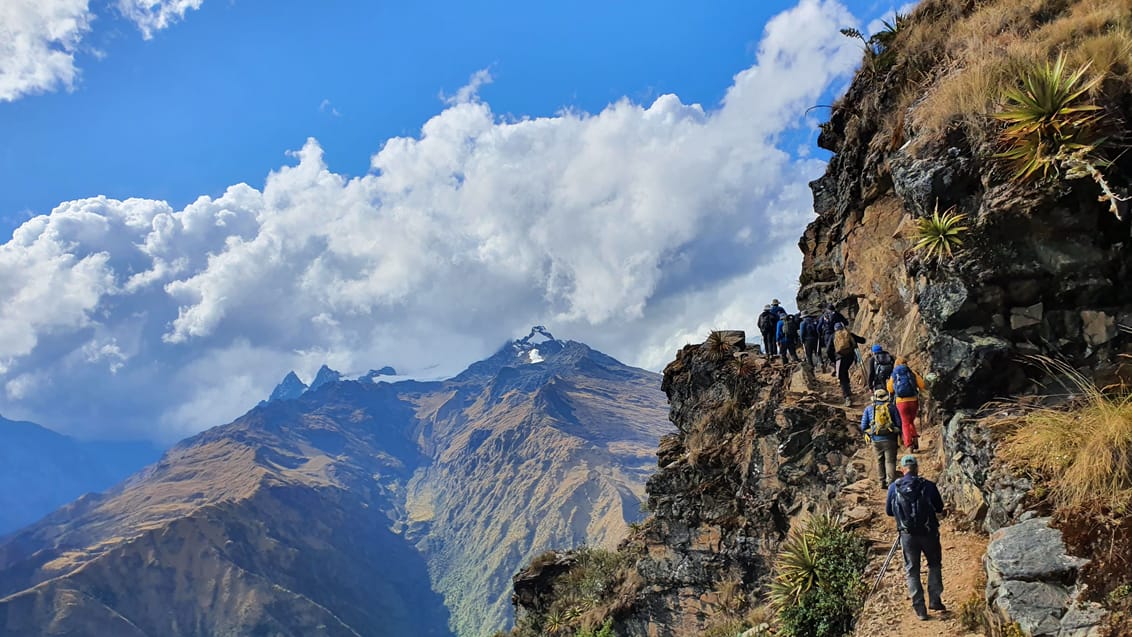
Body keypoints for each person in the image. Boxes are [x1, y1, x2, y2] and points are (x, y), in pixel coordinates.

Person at [886, 455, 946, 621]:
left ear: (903, 469)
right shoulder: (928, 485)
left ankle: (920, 609)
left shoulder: (894, 487)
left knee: (912, 570)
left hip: (907, 536)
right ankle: (935, 600)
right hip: (929, 533)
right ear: (917, 468)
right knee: (934, 564)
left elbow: (889, 512)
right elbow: (939, 507)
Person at [861, 388, 902, 489]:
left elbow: (863, 426)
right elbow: (899, 423)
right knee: (890, 461)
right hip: (890, 439)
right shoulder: (892, 407)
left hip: (876, 439)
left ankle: (881, 481)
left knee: (879, 460)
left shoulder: (869, 409)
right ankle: (891, 483)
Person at [888, 357, 928, 450]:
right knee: (910, 421)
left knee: (905, 422)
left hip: (901, 402)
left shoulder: (894, 374)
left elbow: (890, 389)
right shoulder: (911, 372)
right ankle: (914, 437)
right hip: (913, 400)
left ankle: (909, 443)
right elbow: (921, 385)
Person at [832, 323, 864, 406]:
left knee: (842, 377)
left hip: (840, 359)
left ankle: (847, 397)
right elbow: (862, 340)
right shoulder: (849, 334)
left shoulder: (834, 336)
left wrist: (833, 359)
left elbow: (829, 349)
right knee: (845, 371)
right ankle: (849, 390)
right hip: (850, 357)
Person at [818, 303, 849, 373]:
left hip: (828, 335)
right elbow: (846, 322)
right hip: (838, 334)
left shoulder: (824, 316)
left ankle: (835, 364)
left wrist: (820, 333)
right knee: (840, 348)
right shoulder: (837, 314)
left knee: (829, 350)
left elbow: (819, 327)